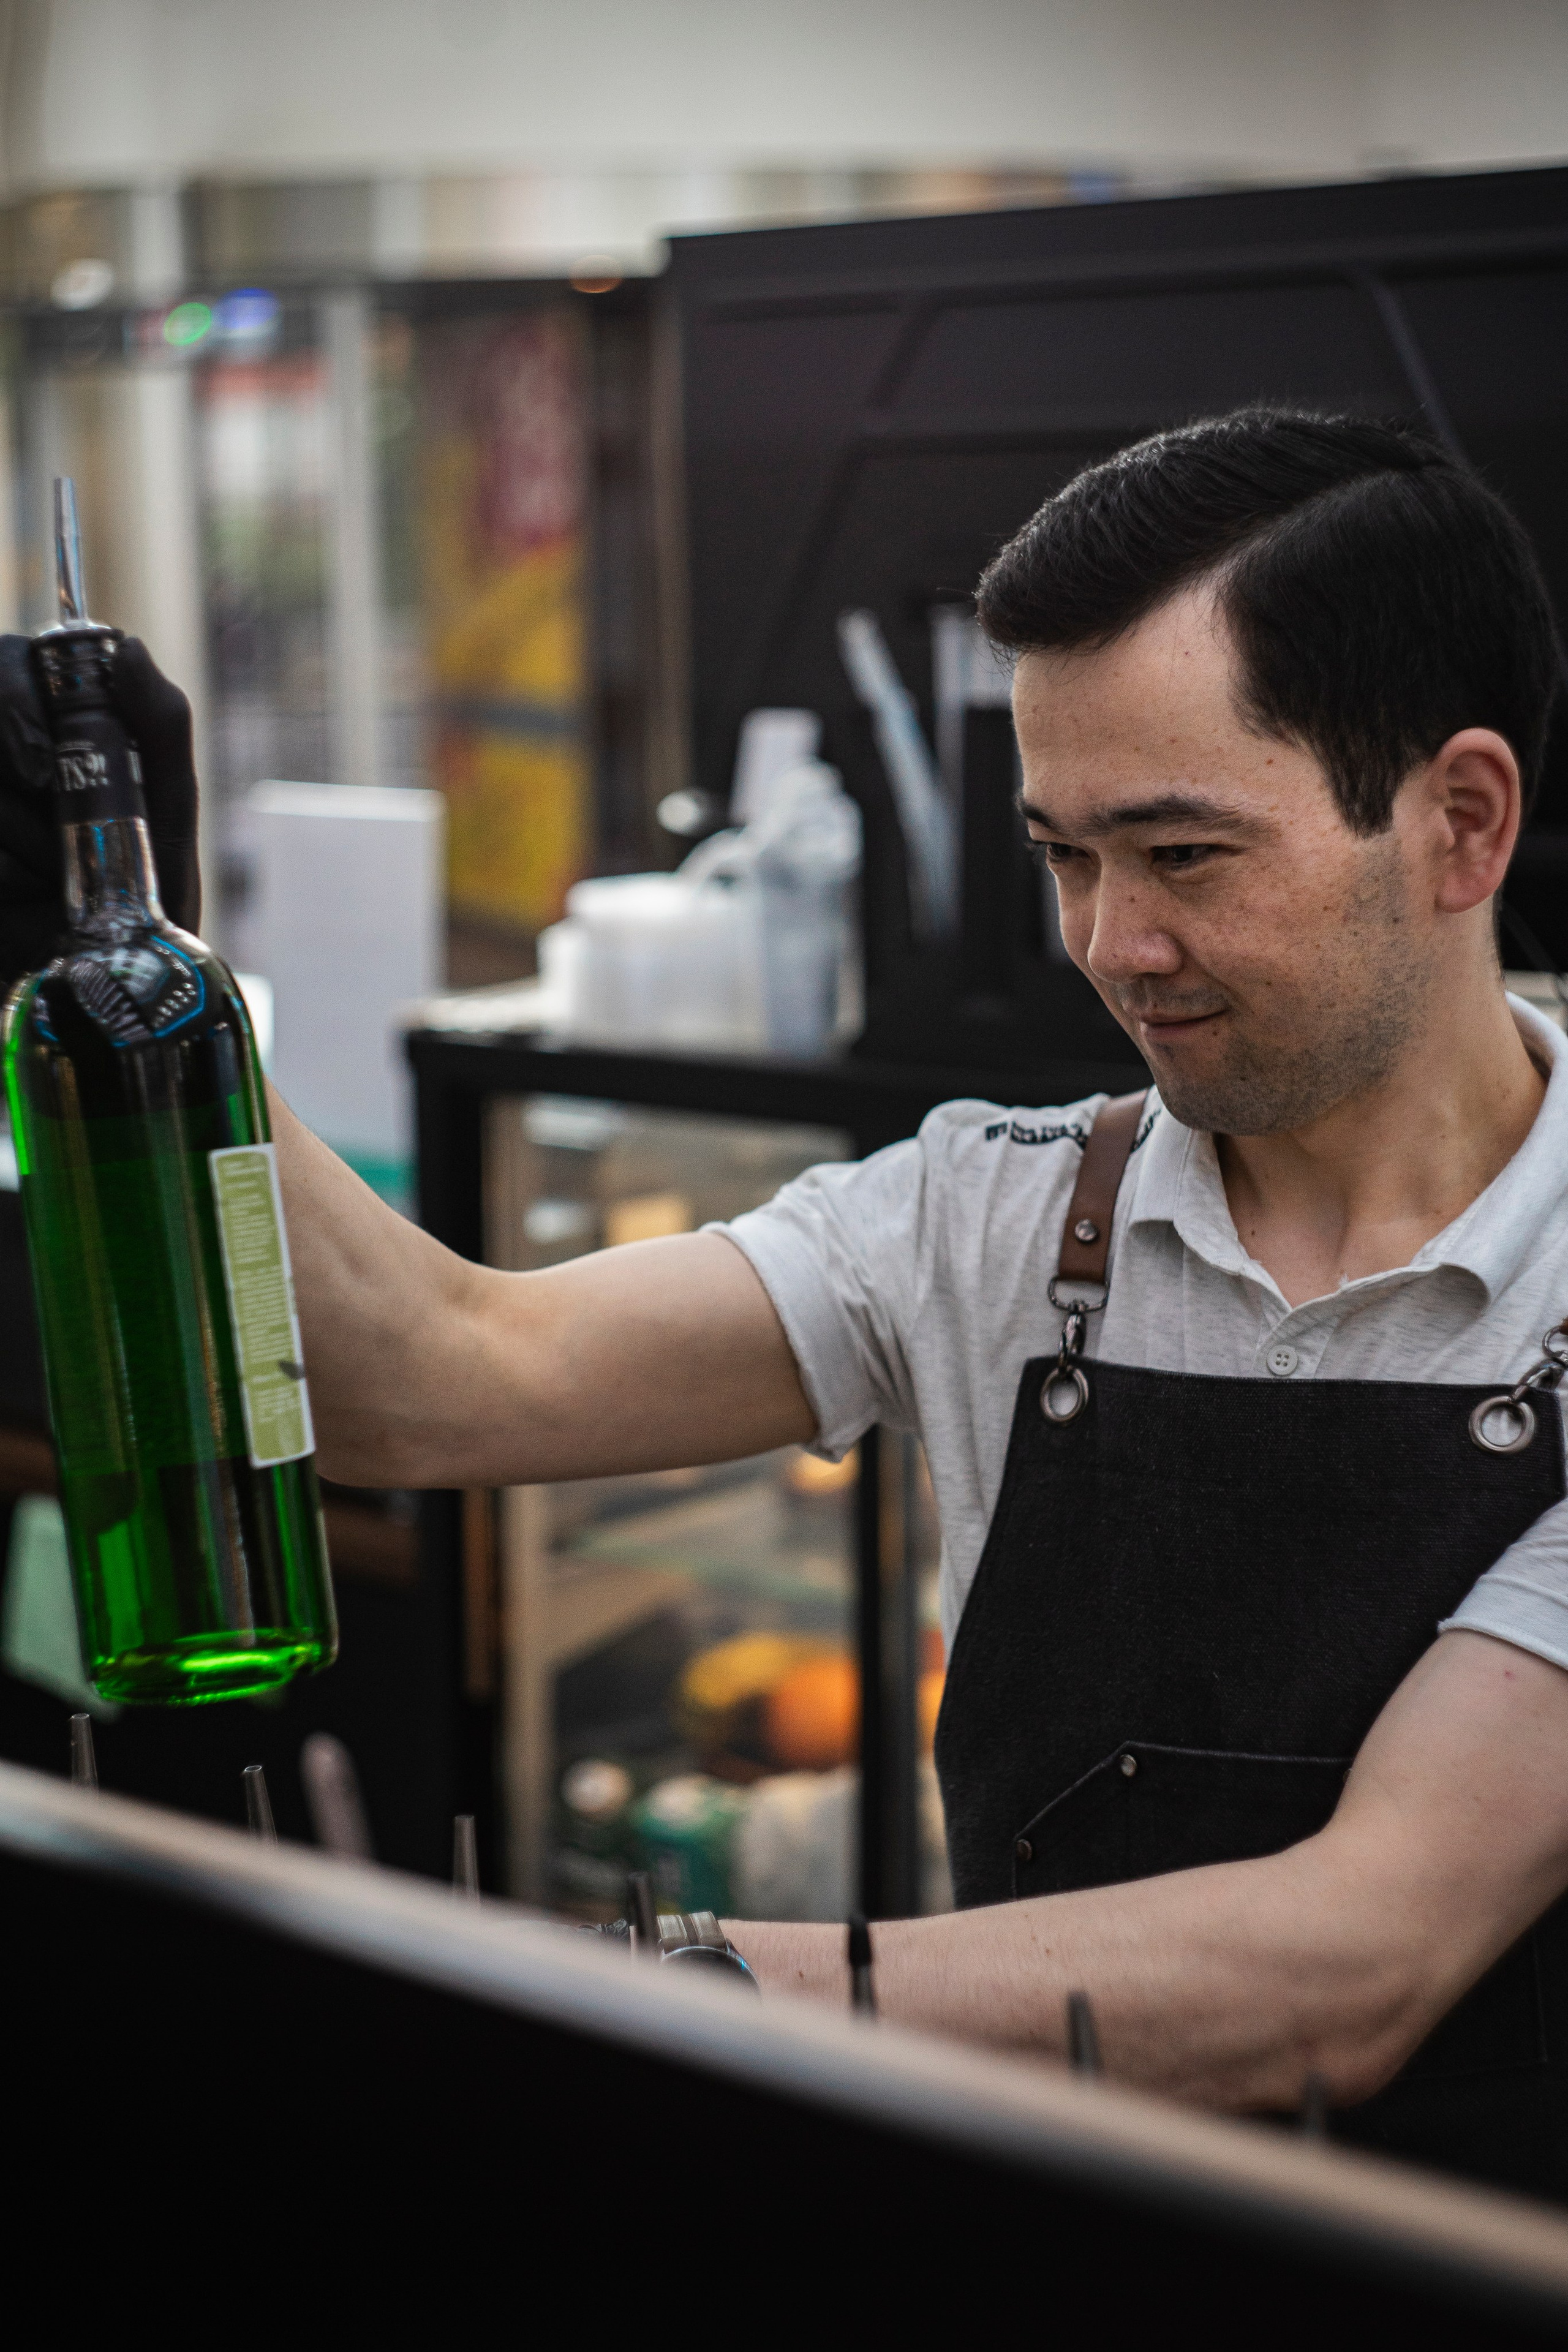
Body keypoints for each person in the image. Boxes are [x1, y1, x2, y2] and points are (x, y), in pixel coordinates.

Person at [4, 407, 1568, 2198]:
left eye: (1186, 856)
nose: (1109, 946)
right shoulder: (1002, 1215)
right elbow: (431, 1377)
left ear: (1460, 821)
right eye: (1066, 853)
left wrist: (662, 1983)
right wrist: (144, 977)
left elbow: (1351, 1965)